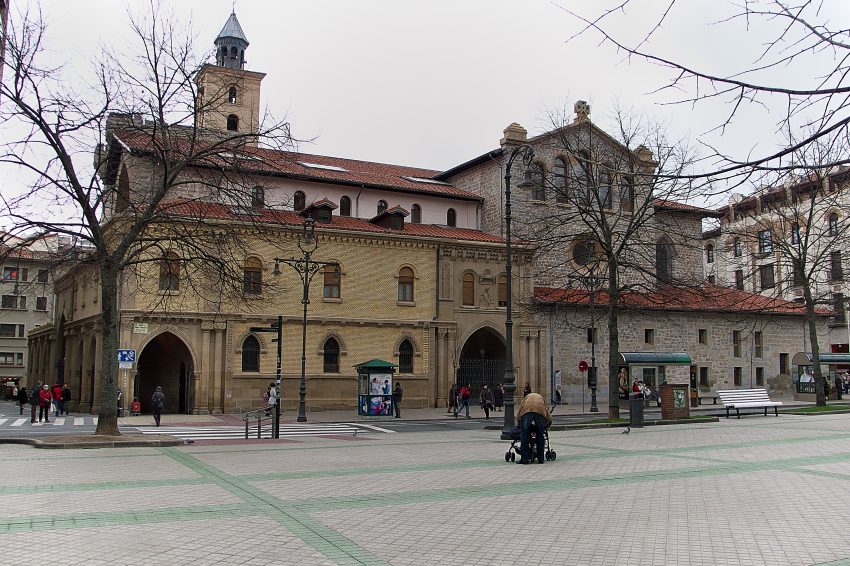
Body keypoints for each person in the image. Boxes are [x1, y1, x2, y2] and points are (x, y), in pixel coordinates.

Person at [516, 391, 552, 464]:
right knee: (540, 434)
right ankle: (540, 459)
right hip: (540, 411)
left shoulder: (525, 399)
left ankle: (525, 459)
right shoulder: (541, 398)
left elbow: (520, 411)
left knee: (524, 434)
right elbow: (547, 412)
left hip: (526, 411)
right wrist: (546, 425)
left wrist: (519, 422)